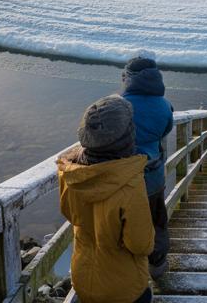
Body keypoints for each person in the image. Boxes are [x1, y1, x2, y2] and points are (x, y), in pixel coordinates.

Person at [58, 95, 155, 303]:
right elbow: (141, 245)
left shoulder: (70, 174)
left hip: (83, 278)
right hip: (123, 286)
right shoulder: (129, 184)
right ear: (127, 137)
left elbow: (69, 213)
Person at [120, 55, 175, 278]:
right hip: (153, 179)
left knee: (123, 225)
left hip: (123, 180)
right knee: (157, 221)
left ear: (129, 78)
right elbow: (165, 131)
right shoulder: (164, 106)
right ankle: (158, 266)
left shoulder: (118, 106)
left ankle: (128, 270)